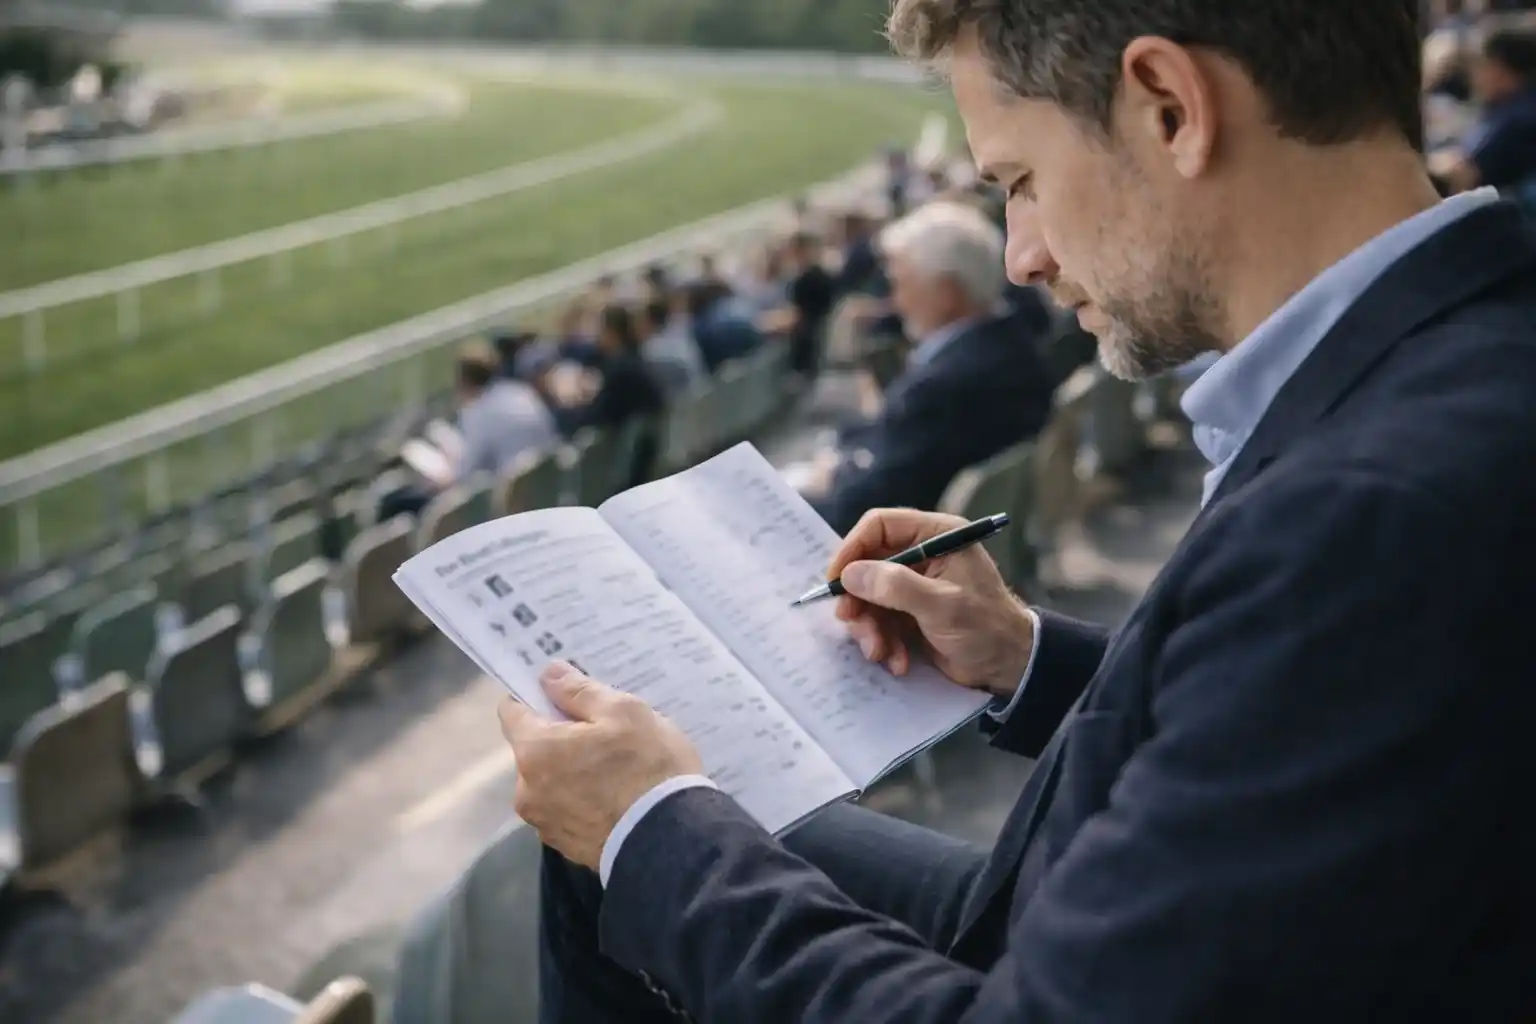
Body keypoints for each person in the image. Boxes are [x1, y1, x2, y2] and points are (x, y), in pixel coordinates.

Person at [500, 1, 1536, 1021]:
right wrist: (1023, 655)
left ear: (1170, 107)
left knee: (634, 841)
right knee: (615, 848)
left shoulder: (1375, 516)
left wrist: (656, 831)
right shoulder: (1442, 370)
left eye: (1021, 182)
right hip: (1101, 913)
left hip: (1052, 955)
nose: (1021, 257)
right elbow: (1278, 719)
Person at [799, 200, 1055, 536]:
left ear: (946, 293)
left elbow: (859, 514)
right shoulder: (1013, 343)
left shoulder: (944, 385)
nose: (895, 300)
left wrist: (820, 486)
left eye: (900, 284)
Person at [377, 343, 558, 521]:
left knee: (396, 502)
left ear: (463, 380)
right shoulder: (520, 392)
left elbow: (462, 478)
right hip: (543, 488)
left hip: (509, 505)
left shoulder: (479, 412)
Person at [1432, 30, 1536, 204]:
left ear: (1501, 69)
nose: (1476, 76)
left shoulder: (1522, 118)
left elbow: (1465, 176)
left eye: (1483, 66)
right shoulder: (1502, 108)